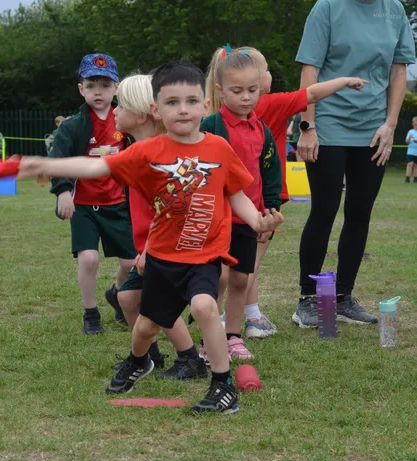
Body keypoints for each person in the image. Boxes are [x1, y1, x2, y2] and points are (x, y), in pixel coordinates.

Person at [15, 62, 283, 413]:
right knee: (145, 328)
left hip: (204, 256)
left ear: (205, 106)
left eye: (191, 101)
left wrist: (256, 220)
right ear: (156, 109)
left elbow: (236, 194)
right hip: (163, 260)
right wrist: (45, 165)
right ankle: (138, 361)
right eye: (172, 102)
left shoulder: (219, 148)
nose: (183, 109)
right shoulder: (147, 152)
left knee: (205, 307)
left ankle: (223, 386)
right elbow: (95, 167)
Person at [205, 45, 368, 339]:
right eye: (266, 69)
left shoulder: (237, 117)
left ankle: (245, 318)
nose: (268, 76)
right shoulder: (269, 105)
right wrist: (344, 81)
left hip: (248, 204)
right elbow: (312, 94)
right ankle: (233, 322)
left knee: (239, 269)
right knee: (244, 268)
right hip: (253, 207)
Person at [294, 0, 415, 328]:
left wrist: (390, 124)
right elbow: (309, 71)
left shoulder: (395, 10)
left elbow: (399, 70)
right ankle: (307, 300)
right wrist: (308, 127)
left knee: (360, 213)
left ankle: (343, 296)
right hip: (327, 123)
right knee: (324, 210)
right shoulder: (327, 7)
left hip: (373, 128)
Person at [113, 73, 208, 381]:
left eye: (120, 105)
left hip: (165, 249)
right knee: (129, 298)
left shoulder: (159, 159)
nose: (114, 111)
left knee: (155, 303)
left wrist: (148, 251)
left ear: (141, 114)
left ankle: (190, 358)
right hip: (150, 247)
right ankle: (147, 356)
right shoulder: (138, 152)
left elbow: (167, 210)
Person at [201, 49, 282, 362]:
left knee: (240, 278)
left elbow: (270, 172)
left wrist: (269, 210)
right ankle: (209, 340)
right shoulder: (210, 126)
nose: (246, 97)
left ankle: (232, 336)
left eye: (252, 90)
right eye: (237, 91)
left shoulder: (262, 130)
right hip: (215, 219)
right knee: (216, 280)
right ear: (220, 91)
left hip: (249, 219)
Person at [49, 53, 136, 334]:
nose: (98, 92)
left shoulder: (127, 123)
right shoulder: (73, 126)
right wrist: (63, 191)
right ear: (81, 89)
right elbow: (59, 160)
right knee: (89, 259)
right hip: (84, 206)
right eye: (91, 85)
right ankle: (91, 313)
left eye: (105, 85)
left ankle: (117, 294)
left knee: (131, 263)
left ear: (116, 88)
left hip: (118, 204)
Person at [405, 116, 417, 183]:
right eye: (415, 124)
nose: (416, 126)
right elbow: (407, 142)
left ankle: (415, 179)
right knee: (410, 164)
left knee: (416, 165)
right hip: (410, 151)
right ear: (413, 124)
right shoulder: (410, 131)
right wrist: (409, 137)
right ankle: (407, 178)